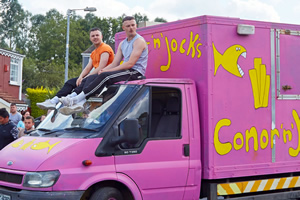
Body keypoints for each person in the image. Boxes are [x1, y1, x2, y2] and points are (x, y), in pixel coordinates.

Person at [59, 16, 148, 115]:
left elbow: (130, 64)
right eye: (128, 26)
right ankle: (81, 101)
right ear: (123, 28)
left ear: (136, 26)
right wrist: (104, 70)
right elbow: (115, 63)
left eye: (133, 25)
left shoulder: (139, 41)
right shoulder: (122, 43)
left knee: (106, 76)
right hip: (126, 71)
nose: (131, 28)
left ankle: (77, 99)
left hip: (135, 72)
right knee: (100, 75)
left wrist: (107, 71)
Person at [36, 27, 115, 110]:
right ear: (90, 38)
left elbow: (101, 67)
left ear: (101, 36)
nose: (95, 37)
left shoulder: (105, 48)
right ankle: (54, 101)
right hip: (94, 76)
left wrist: (85, 77)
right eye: (93, 36)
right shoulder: (93, 53)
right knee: (71, 82)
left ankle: (74, 100)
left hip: (103, 76)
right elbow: (88, 67)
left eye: (97, 35)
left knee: (87, 79)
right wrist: (81, 77)